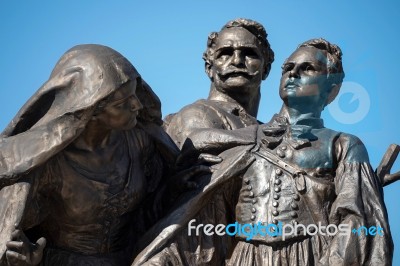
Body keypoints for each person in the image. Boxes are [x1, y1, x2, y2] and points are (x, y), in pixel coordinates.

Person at [135, 38, 393, 265]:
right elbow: (202, 195)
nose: (293, 74)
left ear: (332, 87)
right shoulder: (247, 139)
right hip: (244, 256)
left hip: (309, 254)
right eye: (288, 68)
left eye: (308, 69)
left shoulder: (343, 144)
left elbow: (357, 221)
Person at [0, 44, 180, 266]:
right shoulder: (46, 166)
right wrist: (26, 259)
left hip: (133, 258)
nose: (137, 105)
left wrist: (177, 185)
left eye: (135, 94)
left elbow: (154, 204)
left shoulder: (140, 141)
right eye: (123, 103)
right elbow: (13, 239)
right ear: (92, 110)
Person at [164, 18, 274, 148]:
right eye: (225, 54)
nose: (237, 61)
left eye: (249, 53)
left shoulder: (268, 131)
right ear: (209, 68)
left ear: (266, 69)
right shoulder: (194, 114)